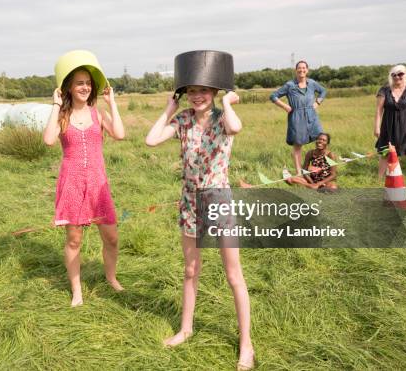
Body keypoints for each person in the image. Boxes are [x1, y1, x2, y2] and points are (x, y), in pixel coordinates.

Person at [146, 86, 255, 370]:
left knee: (234, 275)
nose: (197, 96)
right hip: (190, 202)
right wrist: (170, 108)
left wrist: (228, 102)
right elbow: (151, 140)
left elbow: (236, 127)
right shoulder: (183, 120)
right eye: (191, 91)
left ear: (214, 92)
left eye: (203, 91)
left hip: (219, 201)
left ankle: (246, 344)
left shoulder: (223, 118)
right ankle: (185, 329)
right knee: (190, 270)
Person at [44, 54, 125, 307]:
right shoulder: (62, 115)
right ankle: (77, 290)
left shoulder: (96, 113)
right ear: (69, 86)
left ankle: (111, 278)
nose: (85, 87)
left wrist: (111, 103)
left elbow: (120, 134)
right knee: (74, 240)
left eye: (88, 83)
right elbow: (48, 140)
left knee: (111, 238)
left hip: (98, 184)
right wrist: (56, 105)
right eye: (79, 82)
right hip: (73, 183)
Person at [270, 60, 327, 175]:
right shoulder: (290, 85)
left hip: (312, 115)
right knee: (297, 146)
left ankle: (320, 167)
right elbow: (273, 96)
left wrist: (317, 103)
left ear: (307, 70)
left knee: (321, 140)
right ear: (296, 71)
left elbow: (323, 91)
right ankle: (298, 173)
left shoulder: (311, 83)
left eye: (304, 68)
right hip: (296, 117)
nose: (302, 70)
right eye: (299, 68)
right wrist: (285, 106)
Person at [374, 64, 406, 183]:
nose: (397, 77)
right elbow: (379, 110)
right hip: (388, 126)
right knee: (385, 153)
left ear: (405, 75)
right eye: (394, 75)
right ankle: (379, 180)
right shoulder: (384, 90)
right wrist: (377, 127)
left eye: (401, 74)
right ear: (391, 76)